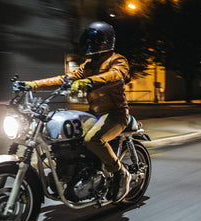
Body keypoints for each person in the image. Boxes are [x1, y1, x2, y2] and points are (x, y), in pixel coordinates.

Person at [25, 21, 132, 202]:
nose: (91, 44)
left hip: (116, 115)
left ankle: (121, 174)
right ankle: (73, 173)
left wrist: (89, 82)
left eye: (95, 40)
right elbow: (64, 78)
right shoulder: (88, 64)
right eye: (89, 40)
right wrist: (34, 84)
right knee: (66, 137)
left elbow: (116, 74)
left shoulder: (118, 60)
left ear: (106, 41)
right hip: (94, 114)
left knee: (93, 139)